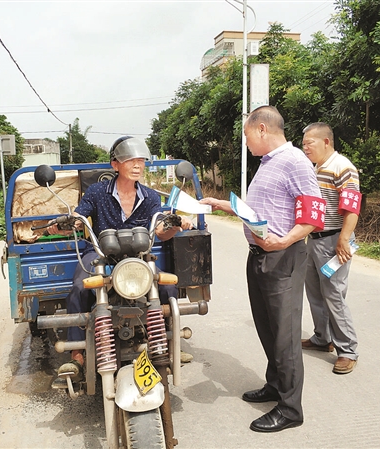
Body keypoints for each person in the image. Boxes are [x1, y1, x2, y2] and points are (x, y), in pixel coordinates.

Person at [200, 105, 325, 433]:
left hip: (283, 257)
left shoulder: (295, 161)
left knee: (285, 334)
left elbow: (313, 215)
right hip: (259, 254)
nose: (246, 144)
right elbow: (257, 210)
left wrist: (284, 242)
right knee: (267, 327)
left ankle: (290, 408)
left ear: (261, 130)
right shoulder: (268, 164)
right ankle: (275, 385)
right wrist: (222, 204)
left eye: (246, 137)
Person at [46, 136, 193, 384]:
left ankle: (167, 342)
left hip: (138, 257)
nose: (137, 166)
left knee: (168, 287)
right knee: (79, 288)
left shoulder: (150, 197)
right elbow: (79, 218)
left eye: (141, 161)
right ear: (115, 165)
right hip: (101, 255)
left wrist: (176, 227)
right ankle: (77, 356)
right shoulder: (97, 192)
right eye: (130, 161)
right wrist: (60, 224)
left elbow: (159, 230)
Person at [301, 122, 360, 374]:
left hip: (333, 241)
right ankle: (322, 338)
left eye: (308, 143)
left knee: (333, 294)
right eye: (303, 144)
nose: (305, 148)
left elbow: (352, 207)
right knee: (315, 292)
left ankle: (347, 350)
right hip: (313, 240)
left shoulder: (342, 167)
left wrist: (343, 240)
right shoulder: (317, 167)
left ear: (326, 142)